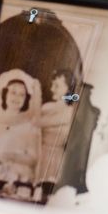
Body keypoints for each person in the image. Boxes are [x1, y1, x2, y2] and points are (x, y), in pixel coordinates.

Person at [0, 68, 41, 199]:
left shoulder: (30, 126)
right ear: (5, 94)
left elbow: (34, 158)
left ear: (26, 99)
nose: (16, 97)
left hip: (16, 179)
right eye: (13, 92)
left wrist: (9, 155)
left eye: (22, 94)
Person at [34, 69, 77, 203]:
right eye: (52, 85)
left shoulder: (70, 111)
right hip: (39, 153)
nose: (52, 89)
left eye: (57, 86)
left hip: (57, 158)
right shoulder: (47, 107)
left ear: (68, 88)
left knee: (49, 194)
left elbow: (37, 122)